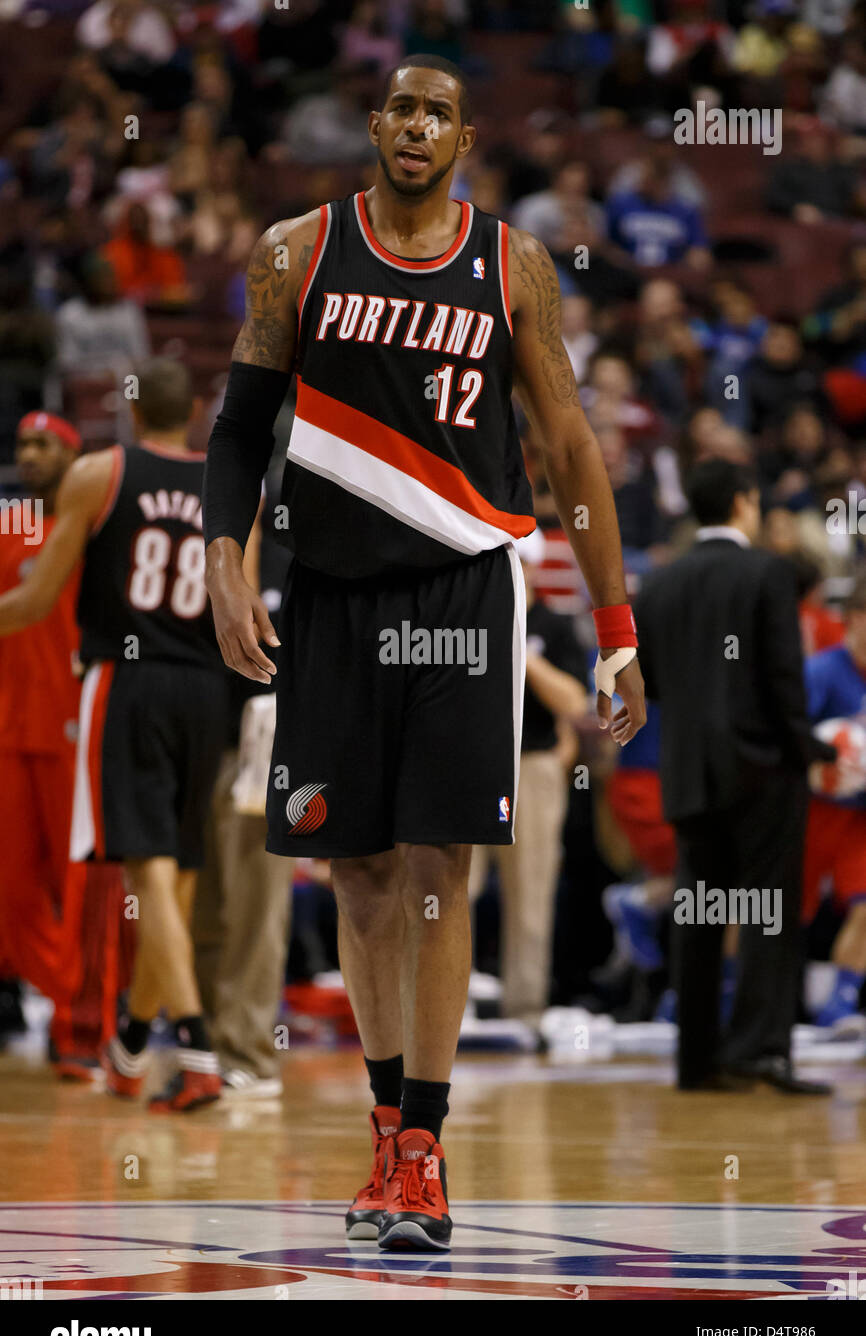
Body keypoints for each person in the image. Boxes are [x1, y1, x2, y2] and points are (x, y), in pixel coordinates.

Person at [203, 53, 645, 1251]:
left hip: (463, 583)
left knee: (437, 859)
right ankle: (386, 1122)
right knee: (355, 869)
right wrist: (224, 558)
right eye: (398, 106)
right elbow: (241, 425)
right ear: (372, 126)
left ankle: (425, 1148)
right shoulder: (297, 249)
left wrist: (613, 633)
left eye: (437, 112)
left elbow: (567, 445)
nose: (414, 125)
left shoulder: (513, 265)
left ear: (461, 142)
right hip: (333, 593)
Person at [0, 359, 228, 1113]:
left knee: (145, 873)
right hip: (205, 688)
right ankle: (133, 1042)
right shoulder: (230, 484)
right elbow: (244, 615)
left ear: (132, 414)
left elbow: (35, 600)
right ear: (195, 409)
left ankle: (195, 1051)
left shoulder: (99, 474)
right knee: (179, 876)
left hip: (127, 684)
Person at [634, 457, 834, 1095]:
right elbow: (782, 678)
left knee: (697, 912)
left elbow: (652, 684)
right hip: (763, 768)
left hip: (688, 770)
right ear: (745, 501)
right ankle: (760, 1051)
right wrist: (811, 752)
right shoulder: (767, 572)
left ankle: (696, 1062)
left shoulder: (658, 584)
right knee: (767, 910)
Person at [468, 531, 587, 1025]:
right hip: (472, 763)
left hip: (532, 767)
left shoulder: (554, 628)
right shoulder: (469, 620)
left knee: (531, 892)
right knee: (452, 887)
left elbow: (576, 703)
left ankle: (526, 1011)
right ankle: (451, 1008)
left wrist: (522, 650)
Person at [0, 413, 82, 1055]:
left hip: (72, 722)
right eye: (23, 444)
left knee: (75, 881)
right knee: (13, 883)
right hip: (10, 723)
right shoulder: (17, 523)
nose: (28, 455)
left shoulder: (85, 523)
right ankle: (51, 993)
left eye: (42, 444)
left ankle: (76, 1016)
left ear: (71, 455)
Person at [802, 576, 866, 1032]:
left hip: (858, 817)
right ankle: (724, 995)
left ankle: (840, 1005)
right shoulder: (822, 672)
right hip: (810, 812)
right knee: (770, 910)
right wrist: (819, 766)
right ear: (855, 621)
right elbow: (786, 738)